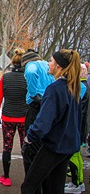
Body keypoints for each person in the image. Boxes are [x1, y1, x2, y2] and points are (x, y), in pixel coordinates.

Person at [21, 49, 82, 194]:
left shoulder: (55, 89)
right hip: (68, 145)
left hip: (54, 146)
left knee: (29, 186)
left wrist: (29, 137)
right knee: (55, 188)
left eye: (52, 61)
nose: (49, 64)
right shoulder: (73, 87)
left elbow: (44, 121)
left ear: (59, 66)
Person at [20, 49, 54, 193]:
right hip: (48, 103)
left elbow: (30, 72)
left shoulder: (31, 65)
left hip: (36, 106)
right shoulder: (46, 64)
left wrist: (34, 93)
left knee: (31, 148)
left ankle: (33, 185)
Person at [0, 48, 28, 186]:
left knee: (7, 147)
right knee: (25, 147)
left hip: (8, 116)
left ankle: (6, 177)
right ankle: (27, 177)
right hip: (24, 116)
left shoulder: (5, 78)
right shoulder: (27, 78)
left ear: (12, 63)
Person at [65, 63, 90, 193]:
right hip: (80, 126)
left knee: (73, 155)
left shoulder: (81, 87)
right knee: (76, 155)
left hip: (77, 126)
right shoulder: (84, 86)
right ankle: (78, 182)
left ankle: (76, 183)